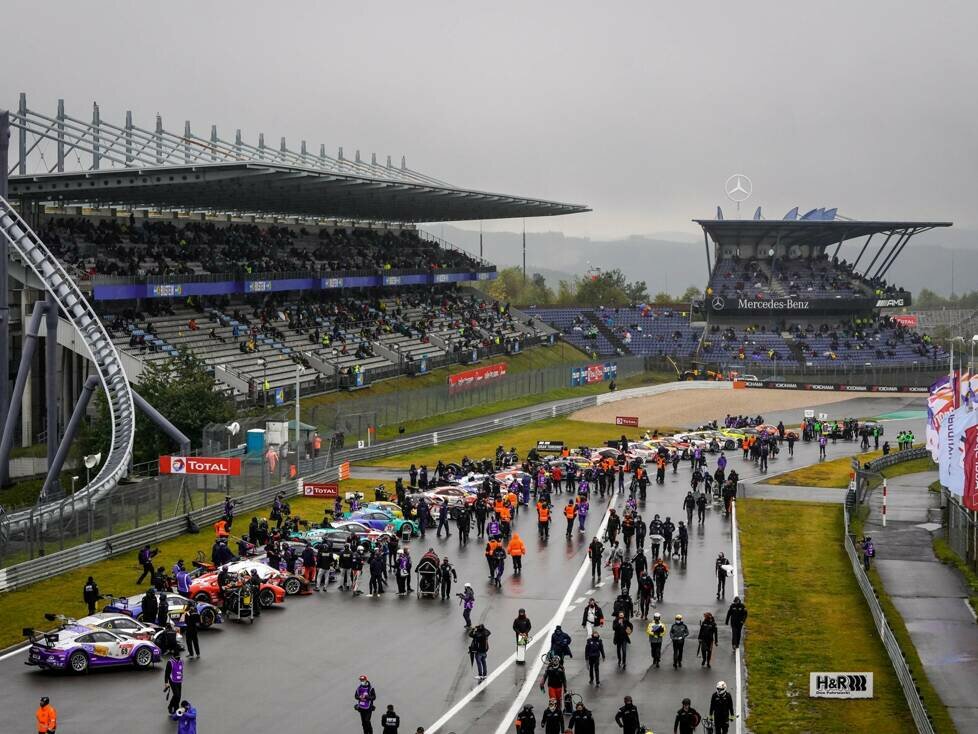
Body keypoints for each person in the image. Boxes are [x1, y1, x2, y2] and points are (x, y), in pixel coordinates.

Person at [164, 649, 184, 715]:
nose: (178, 658)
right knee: (176, 695)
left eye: (178, 657)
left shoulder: (181, 661)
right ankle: (172, 707)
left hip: (179, 680)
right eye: (176, 657)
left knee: (179, 696)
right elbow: (167, 673)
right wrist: (166, 683)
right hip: (172, 680)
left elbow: (181, 670)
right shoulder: (170, 662)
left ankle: (175, 708)